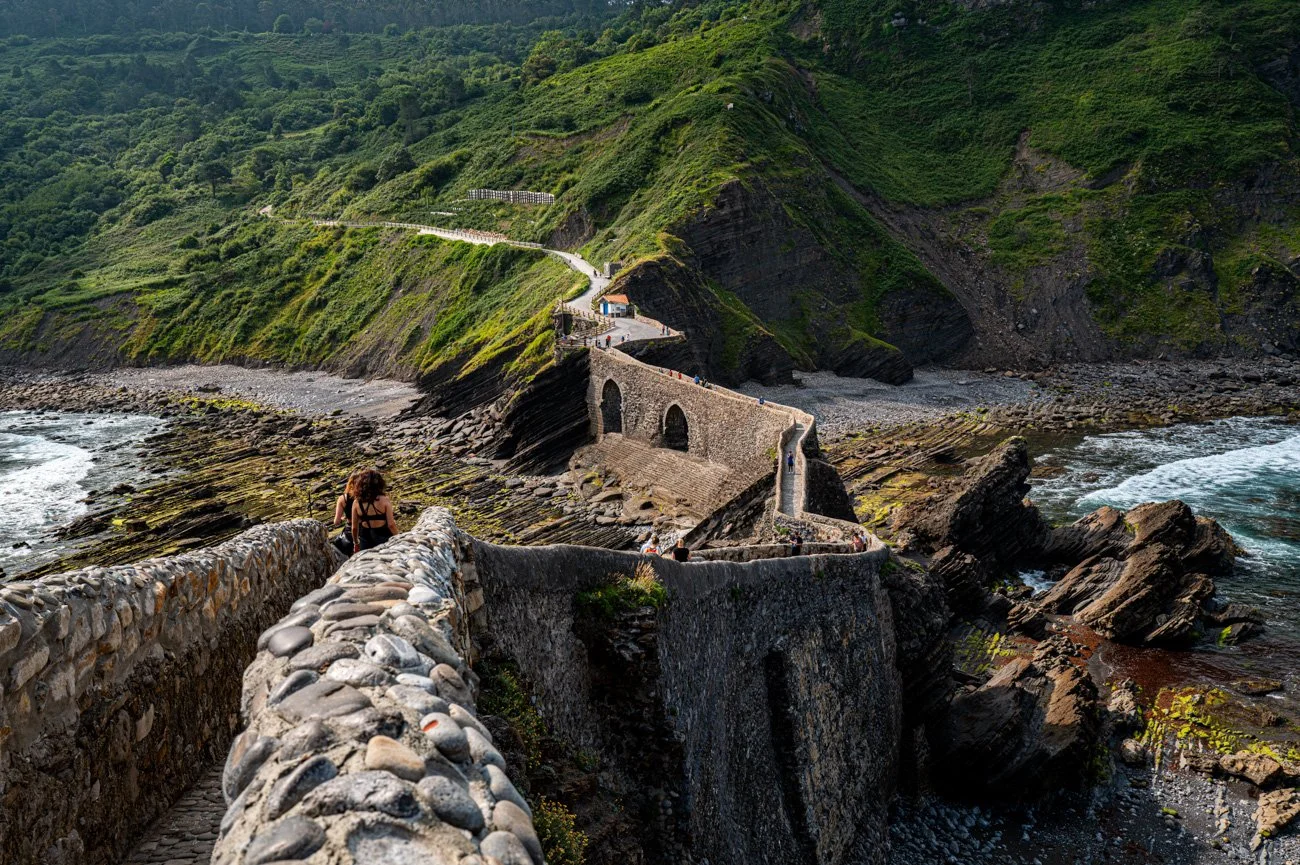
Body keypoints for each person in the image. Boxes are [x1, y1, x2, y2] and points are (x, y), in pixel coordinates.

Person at [351, 468, 398, 553]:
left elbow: (354, 528)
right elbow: (391, 524)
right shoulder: (384, 500)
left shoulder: (356, 502)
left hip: (366, 539)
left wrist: (356, 543)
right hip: (384, 537)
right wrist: (398, 537)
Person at [330, 470, 361, 556]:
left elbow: (336, 522)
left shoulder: (343, 498)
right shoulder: (365, 496)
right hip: (365, 530)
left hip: (350, 531)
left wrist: (344, 517)